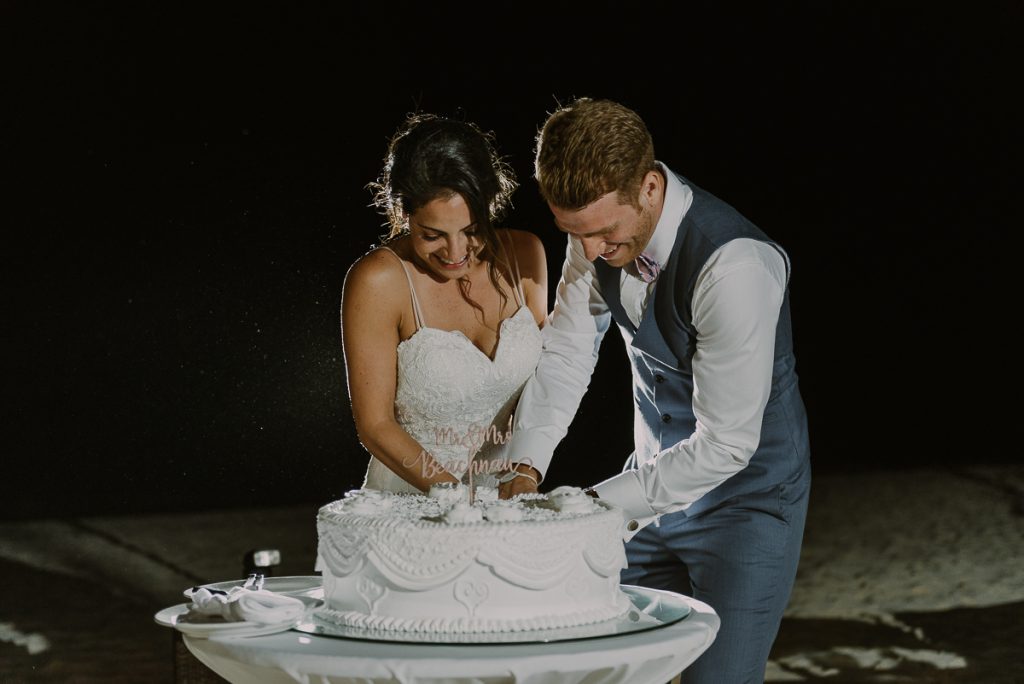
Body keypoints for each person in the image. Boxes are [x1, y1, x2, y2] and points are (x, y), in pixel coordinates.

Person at [507, 98, 812, 682]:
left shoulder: (734, 268)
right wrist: (525, 462)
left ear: (649, 187)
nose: (590, 251)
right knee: (589, 666)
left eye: (601, 233)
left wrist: (590, 507)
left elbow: (726, 444)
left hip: (746, 502)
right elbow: (569, 350)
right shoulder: (591, 228)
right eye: (574, 233)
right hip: (646, 488)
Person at [341, 112, 547, 499]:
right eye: (432, 235)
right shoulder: (379, 280)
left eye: (472, 231)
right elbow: (375, 425)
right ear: (403, 213)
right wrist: (459, 502)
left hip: (507, 503)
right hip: (414, 506)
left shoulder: (527, 256)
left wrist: (526, 473)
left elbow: (545, 391)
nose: (455, 253)